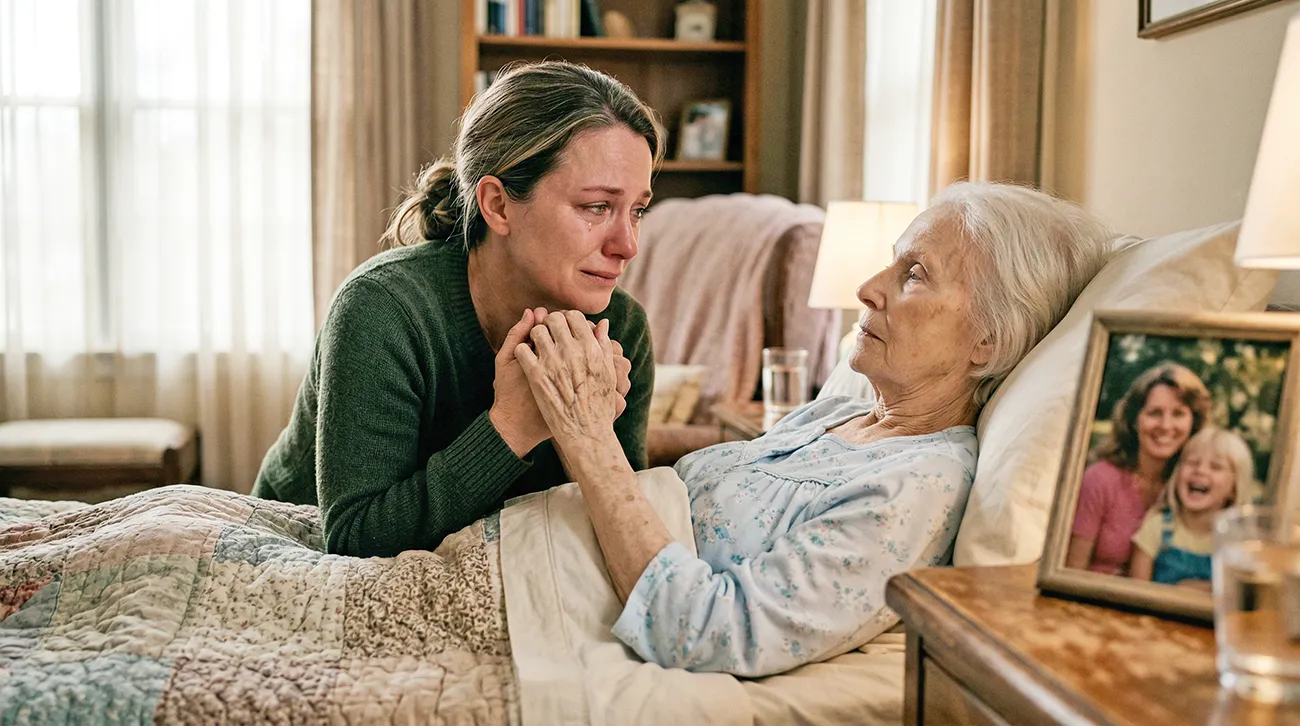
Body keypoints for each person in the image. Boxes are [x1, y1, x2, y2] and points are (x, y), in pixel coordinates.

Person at [511, 181, 1114, 677]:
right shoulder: (839, 414)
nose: (868, 288)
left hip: (529, 610)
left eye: (915, 273)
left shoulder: (916, 488)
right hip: (517, 563)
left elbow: (711, 631)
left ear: (989, 338)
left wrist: (588, 435)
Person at [252, 61, 666, 557]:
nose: (628, 245)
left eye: (637, 211)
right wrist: (514, 425)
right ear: (497, 205)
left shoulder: (622, 329)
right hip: (293, 554)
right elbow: (354, 538)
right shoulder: (382, 310)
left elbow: (622, 526)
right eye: (596, 207)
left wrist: (586, 435)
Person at [1066, 363, 1211, 575]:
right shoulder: (1100, 479)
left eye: (1178, 414)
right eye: (1154, 413)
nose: (1166, 425)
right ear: (1134, 420)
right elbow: (1070, 573)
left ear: (1194, 423)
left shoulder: (1192, 486)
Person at [1129, 427, 1252, 589]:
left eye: (1215, 467)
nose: (1200, 470)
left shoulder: (1239, 541)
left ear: (1234, 489)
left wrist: (1200, 589)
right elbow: (1136, 591)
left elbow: (1241, 597)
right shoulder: (1157, 526)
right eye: (1192, 462)